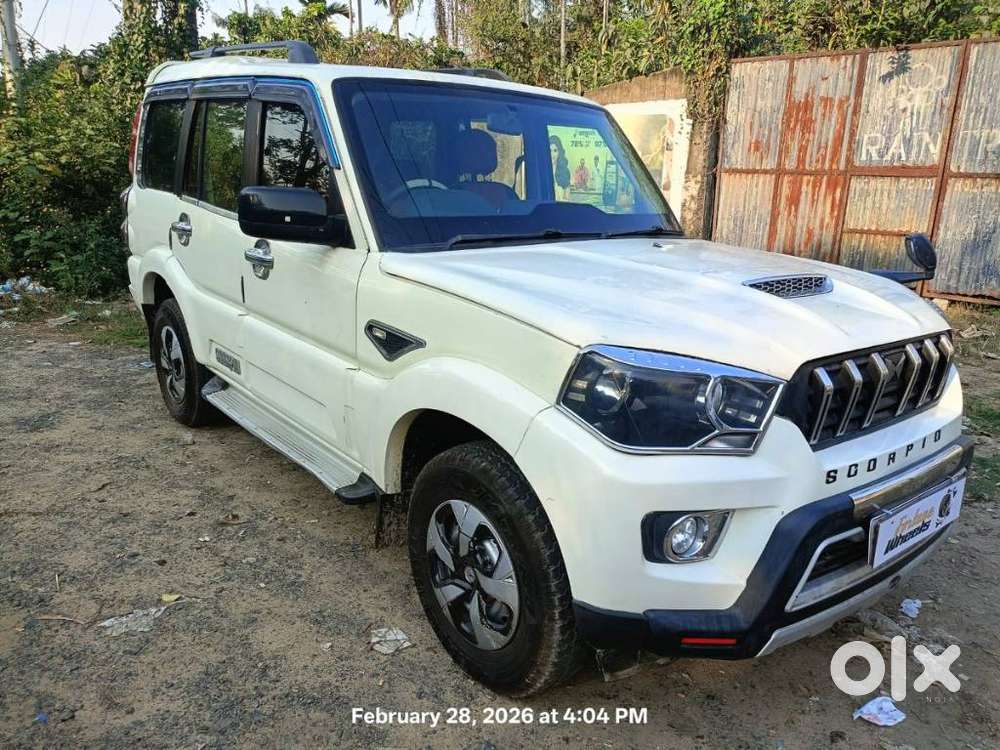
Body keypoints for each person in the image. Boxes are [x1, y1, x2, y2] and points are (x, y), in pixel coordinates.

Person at [549, 134, 571, 200]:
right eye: (550, 150)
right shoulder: (541, 172)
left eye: (555, 150)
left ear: (559, 152)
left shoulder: (565, 172)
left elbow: (567, 199)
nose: (552, 154)